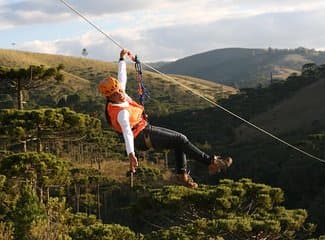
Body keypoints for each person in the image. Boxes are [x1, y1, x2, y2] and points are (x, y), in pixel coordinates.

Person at [98, 49, 232, 188]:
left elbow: (122, 77)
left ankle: (182, 175)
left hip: (144, 129)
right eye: (115, 94)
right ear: (109, 97)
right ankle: (211, 162)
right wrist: (131, 154)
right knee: (181, 139)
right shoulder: (121, 113)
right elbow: (127, 133)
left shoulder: (121, 93)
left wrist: (121, 59)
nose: (120, 94)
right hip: (140, 137)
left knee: (178, 142)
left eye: (119, 90)